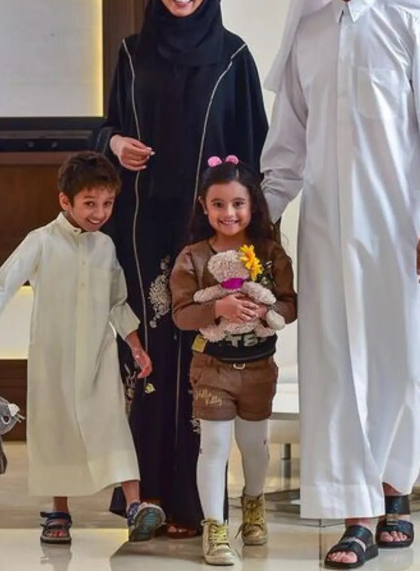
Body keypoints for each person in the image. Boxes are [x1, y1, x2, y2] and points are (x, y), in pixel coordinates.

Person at [261, 0, 420, 568]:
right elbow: (286, 152)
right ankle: (357, 517)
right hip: (326, 235)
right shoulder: (308, 38)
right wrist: (257, 227)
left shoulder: (416, 27)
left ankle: (394, 488)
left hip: (406, 236)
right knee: (337, 369)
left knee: (414, 361)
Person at [100, 0, 269, 537]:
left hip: (209, 239)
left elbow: (255, 152)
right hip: (143, 229)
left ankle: (196, 505)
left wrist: (249, 239)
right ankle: (143, 498)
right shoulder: (131, 53)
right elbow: (108, 128)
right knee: (149, 355)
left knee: (204, 359)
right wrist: (114, 143)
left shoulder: (233, 57)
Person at [0, 152, 166, 545]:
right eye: (90, 203)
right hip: (52, 357)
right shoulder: (41, 241)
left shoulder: (105, 246)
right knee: (55, 429)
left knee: (112, 424)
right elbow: (3, 284)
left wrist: (136, 346)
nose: (100, 213)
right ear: (65, 201)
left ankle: (135, 506)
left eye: (107, 203)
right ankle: (59, 510)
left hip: (99, 356)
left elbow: (117, 302)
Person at [170, 156, 297, 565]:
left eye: (238, 203)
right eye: (219, 204)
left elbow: (290, 305)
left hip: (259, 370)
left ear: (253, 205)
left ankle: (254, 505)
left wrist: (266, 311)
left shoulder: (270, 253)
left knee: (254, 446)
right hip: (212, 369)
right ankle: (215, 527)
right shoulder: (192, 257)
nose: (229, 213)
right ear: (204, 206)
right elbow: (181, 314)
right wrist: (217, 308)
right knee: (214, 447)